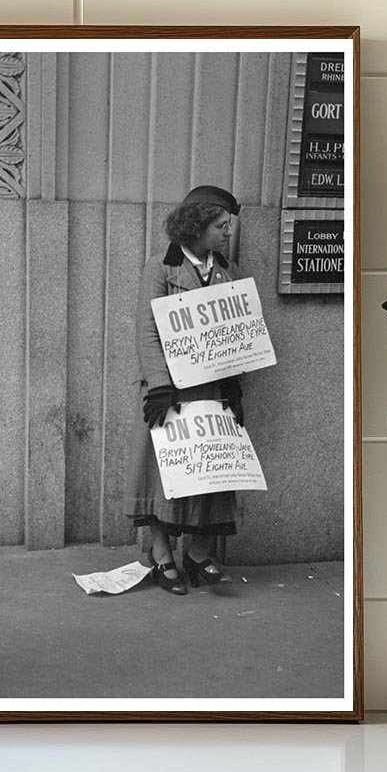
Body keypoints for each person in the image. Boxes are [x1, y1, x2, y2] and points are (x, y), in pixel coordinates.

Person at [125, 184, 245, 596]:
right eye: (221, 225)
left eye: (228, 226)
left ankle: (198, 554)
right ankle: (161, 555)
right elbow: (146, 332)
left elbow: (236, 336)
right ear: (197, 226)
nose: (227, 232)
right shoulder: (161, 268)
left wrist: (234, 392)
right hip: (171, 395)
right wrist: (159, 386)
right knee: (166, 476)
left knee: (211, 475)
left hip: (212, 391)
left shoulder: (228, 270)